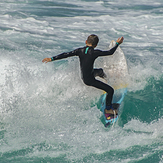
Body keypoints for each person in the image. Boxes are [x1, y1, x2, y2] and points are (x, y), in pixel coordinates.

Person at [42, 34, 124, 115]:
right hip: (90, 80)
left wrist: (51, 58)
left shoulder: (79, 51)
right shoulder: (95, 52)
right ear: (95, 45)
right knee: (110, 90)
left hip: (86, 75)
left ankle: (106, 79)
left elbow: (66, 54)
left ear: (86, 41)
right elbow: (110, 52)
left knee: (100, 71)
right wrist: (117, 44)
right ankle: (108, 109)